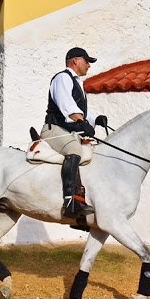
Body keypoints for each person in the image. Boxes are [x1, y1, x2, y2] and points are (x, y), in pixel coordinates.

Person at [41, 47, 108, 218]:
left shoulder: (77, 82)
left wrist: (94, 119)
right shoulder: (62, 78)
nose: (89, 66)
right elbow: (67, 106)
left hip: (66, 131)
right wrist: (81, 122)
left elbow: (79, 109)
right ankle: (70, 201)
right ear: (75, 60)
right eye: (87, 61)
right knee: (74, 150)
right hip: (53, 130)